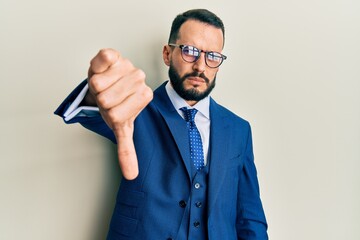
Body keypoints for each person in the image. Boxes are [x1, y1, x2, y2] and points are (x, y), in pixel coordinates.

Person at [55, 9, 268, 240]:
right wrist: (98, 93)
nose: (200, 66)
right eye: (190, 51)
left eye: (212, 56)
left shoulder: (239, 130)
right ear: (167, 54)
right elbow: (98, 112)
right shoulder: (136, 108)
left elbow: (250, 217)